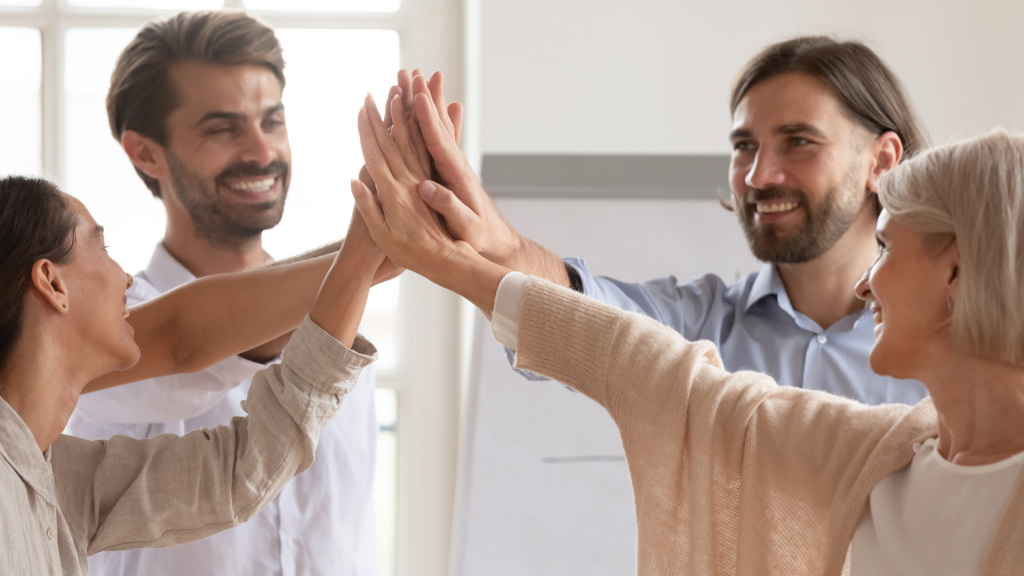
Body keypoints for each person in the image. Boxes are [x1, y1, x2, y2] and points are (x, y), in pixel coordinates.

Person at [355, 91, 1024, 574]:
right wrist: (458, 259)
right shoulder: (883, 453)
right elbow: (646, 366)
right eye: (746, 147)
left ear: (957, 270)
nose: (867, 283)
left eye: (887, 249)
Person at [65, 12, 423, 575]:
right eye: (223, 128)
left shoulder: (349, 323)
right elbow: (186, 343)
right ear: (145, 153)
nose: (262, 152)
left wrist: (387, 240)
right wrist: (380, 247)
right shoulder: (104, 333)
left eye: (272, 121)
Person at [394, 37, 932, 406]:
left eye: (798, 142)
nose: (760, 175)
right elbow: (584, 311)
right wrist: (496, 241)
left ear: (881, 161)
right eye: (745, 146)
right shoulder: (696, 331)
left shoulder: (954, 340)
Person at [0, 175, 383, 575]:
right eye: (103, 248)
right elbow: (181, 338)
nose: (125, 277)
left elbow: (239, 472)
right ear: (52, 282)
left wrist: (369, 251)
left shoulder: (62, 479)